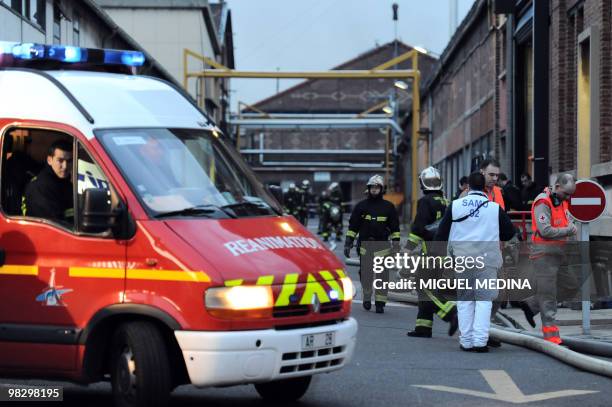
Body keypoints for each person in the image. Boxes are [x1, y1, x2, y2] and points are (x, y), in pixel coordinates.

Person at [435, 172, 515, 352]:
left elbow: (441, 233)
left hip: (463, 258)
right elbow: (509, 232)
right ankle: (480, 342)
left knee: (465, 300)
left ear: (467, 187)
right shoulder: (494, 208)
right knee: (484, 300)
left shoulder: (455, 205)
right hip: (487, 259)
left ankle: (466, 341)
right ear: (485, 188)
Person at [523, 174, 578, 345]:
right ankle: (551, 337)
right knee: (548, 296)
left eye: (570, 195)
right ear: (558, 186)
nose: (568, 198)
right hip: (544, 253)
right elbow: (545, 230)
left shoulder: (561, 201)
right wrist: (568, 231)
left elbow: (566, 222)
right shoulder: (543, 201)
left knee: (571, 286)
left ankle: (531, 304)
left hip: (558, 252)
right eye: (567, 194)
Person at [406, 167, 458, 338]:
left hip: (430, 253)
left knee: (424, 287)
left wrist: (407, 249)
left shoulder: (425, 202)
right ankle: (423, 327)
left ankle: (451, 313)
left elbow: (418, 229)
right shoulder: (446, 201)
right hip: (446, 252)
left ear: (423, 183)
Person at [344, 175, 400, 314]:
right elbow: (353, 226)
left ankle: (380, 303)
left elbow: (395, 228)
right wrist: (348, 242)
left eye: (377, 187)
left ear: (381, 189)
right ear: (368, 189)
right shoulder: (361, 206)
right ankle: (367, 296)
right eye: (372, 187)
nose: (374, 190)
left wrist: (396, 245)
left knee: (382, 275)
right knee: (366, 274)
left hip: (383, 246)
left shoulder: (389, 207)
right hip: (365, 246)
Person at [23, 140, 73, 224]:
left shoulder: (65, 183)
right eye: (60, 160)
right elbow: (55, 226)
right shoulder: (40, 188)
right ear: (49, 160)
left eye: (69, 161)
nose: (65, 166)